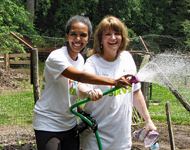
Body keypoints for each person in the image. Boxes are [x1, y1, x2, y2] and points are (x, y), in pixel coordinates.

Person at [33, 14, 132, 150]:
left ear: (88, 39)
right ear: (67, 36)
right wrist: (114, 82)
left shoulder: (80, 59)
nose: (78, 39)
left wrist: (84, 114)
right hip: (49, 124)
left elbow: (73, 91)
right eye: (74, 34)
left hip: (70, 124)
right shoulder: (56, 57)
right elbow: (80, 77)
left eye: (83, 35)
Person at [78, 15, 157, 150]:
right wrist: (90, 92)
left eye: (117, 33)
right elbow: (81, 86)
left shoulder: (127, 58)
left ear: (122, 37)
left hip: (121, 139)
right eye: (108, 34)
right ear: (100, 40)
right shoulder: (93, 63)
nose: (113, 38)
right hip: (95, 137)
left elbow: (136, 93)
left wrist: (148, 120)